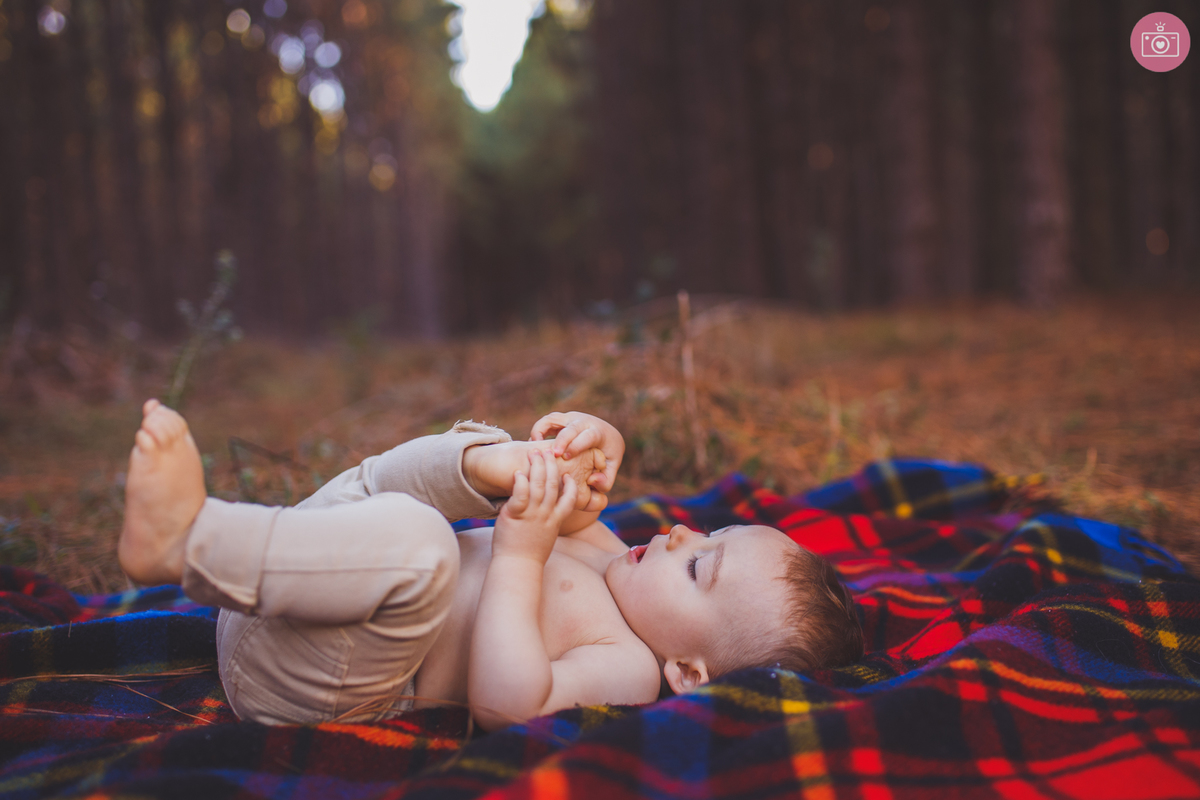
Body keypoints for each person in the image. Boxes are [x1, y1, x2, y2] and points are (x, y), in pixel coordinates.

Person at [119, 401, 863, 730]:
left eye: (700, 568)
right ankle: (226, 538)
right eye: (706, 532)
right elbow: (568, 502)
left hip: (314, 677)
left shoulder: (628, 667)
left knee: (423, 542)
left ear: (689, 674)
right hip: (278, 593)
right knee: (467, 471)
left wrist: (518, 555)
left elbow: (512, 705)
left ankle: (186, 543)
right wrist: (589, 452)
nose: (677, 533)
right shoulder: (614, 558)